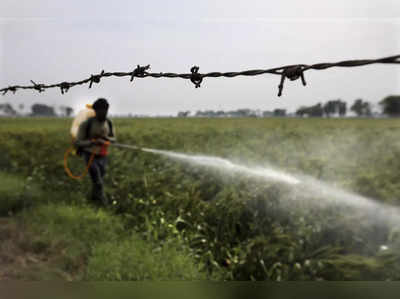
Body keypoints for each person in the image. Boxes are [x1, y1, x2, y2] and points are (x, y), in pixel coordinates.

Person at [74, 98, 116, 205]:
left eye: (105, 110)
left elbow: (113, 139)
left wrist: (107, 139)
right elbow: (78, 143)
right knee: (98, 181)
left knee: (98, 180)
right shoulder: (87, 124)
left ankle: (93, 200)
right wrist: (93, 142)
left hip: (103, 156)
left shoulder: (109, 123)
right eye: (101, 111)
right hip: (89, 155)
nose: (103, 113)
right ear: (95, 111)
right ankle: (103, 204)